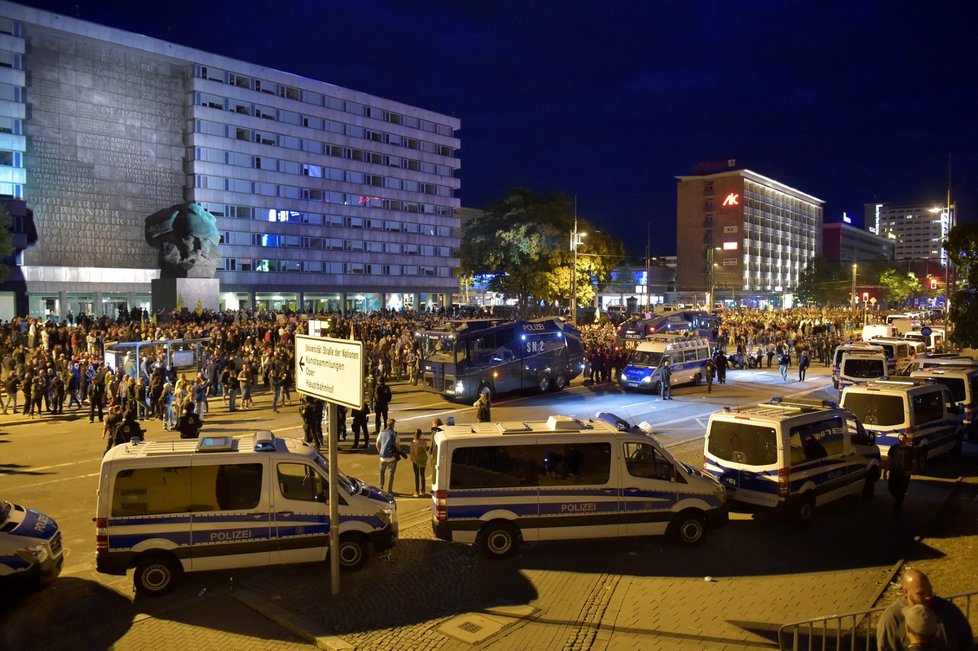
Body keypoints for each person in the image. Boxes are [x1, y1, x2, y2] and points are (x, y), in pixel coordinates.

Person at [876, 568, 973, 651]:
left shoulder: (948, 610)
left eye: (930, 590)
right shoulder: (892, 617)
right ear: (906, 592)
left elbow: (967, 643)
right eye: (921, 593)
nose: (928, 596)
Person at [888, 434, 914, 514]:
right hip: (894, 472)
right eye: (900, 438)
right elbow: (889, 460)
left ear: (906, 439)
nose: (901, 440)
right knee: (891, 488)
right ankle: (897, 500)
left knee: (901, 491)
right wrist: (886, 470)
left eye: (903, 438)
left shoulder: (910, 450)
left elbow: (914, 462)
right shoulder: (893, 448)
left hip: (904, 474)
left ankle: (897, 507)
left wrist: (910, 471)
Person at [376, 418, 401, 494]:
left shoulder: (381, 432)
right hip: (392, 457)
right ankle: (389, 490)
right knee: (391, 474)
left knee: (381, 472)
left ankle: (381, 487)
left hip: (383, 457)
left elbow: (377, 444)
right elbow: (397, 446)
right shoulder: (395, 434)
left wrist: (380, 452)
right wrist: (398, 453)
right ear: (393, 425)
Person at [409, 428, 429, 497]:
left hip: (415, 461)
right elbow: (425, 449)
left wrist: (413, 459)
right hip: (422, 460)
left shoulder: (413, 443)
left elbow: (411, 453)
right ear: (420, 434)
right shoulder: (423, 442)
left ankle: (417, 491)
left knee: (416, 476)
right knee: (422, 475)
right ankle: (423, 491)